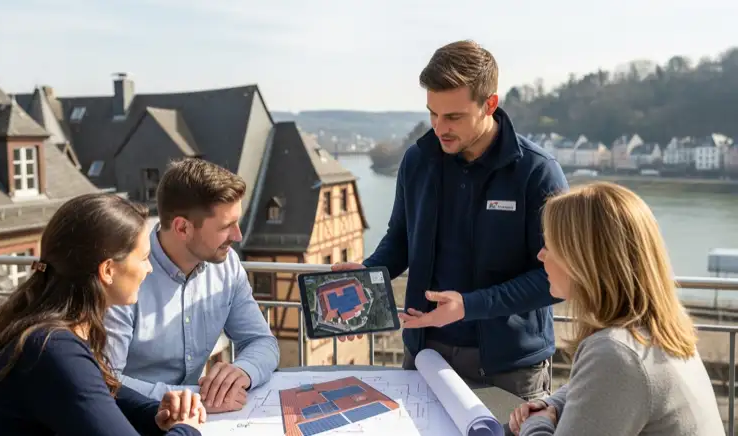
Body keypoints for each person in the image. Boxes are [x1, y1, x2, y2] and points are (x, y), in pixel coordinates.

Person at [333, 40, 568, 400]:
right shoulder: (417, 161)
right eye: (433, 114)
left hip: (509, 365)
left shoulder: (537, 173)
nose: (439, 128)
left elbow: (556, 279)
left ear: (490, 104)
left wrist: (469, 306)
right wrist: (367, 277)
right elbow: (400, 240)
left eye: (453, 117)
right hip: (425, 355)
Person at [0, 193, 205, 436]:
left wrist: (157, 413)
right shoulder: (52, 349)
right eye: (144, 258)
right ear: (108, 270)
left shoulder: (50, 335)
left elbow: (101, 393)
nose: (149, 269)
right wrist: (188, 429)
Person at [508, 182, 724, 436]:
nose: (541, 255)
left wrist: (536, 423)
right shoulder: (654, 331)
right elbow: (604, 389)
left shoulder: (614, 352)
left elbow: (615, 374)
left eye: (551, 244)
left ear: (584, 260)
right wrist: (553, 404)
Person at [105, 157, 280, 414]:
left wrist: (242, 371)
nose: (238, 236)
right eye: (226, 226)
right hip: (132, 421)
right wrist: (191, 400)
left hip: (195, 420)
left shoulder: (228, 265)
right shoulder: (125, 273)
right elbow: (107, 379)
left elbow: (262, 341)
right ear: (182, 227)